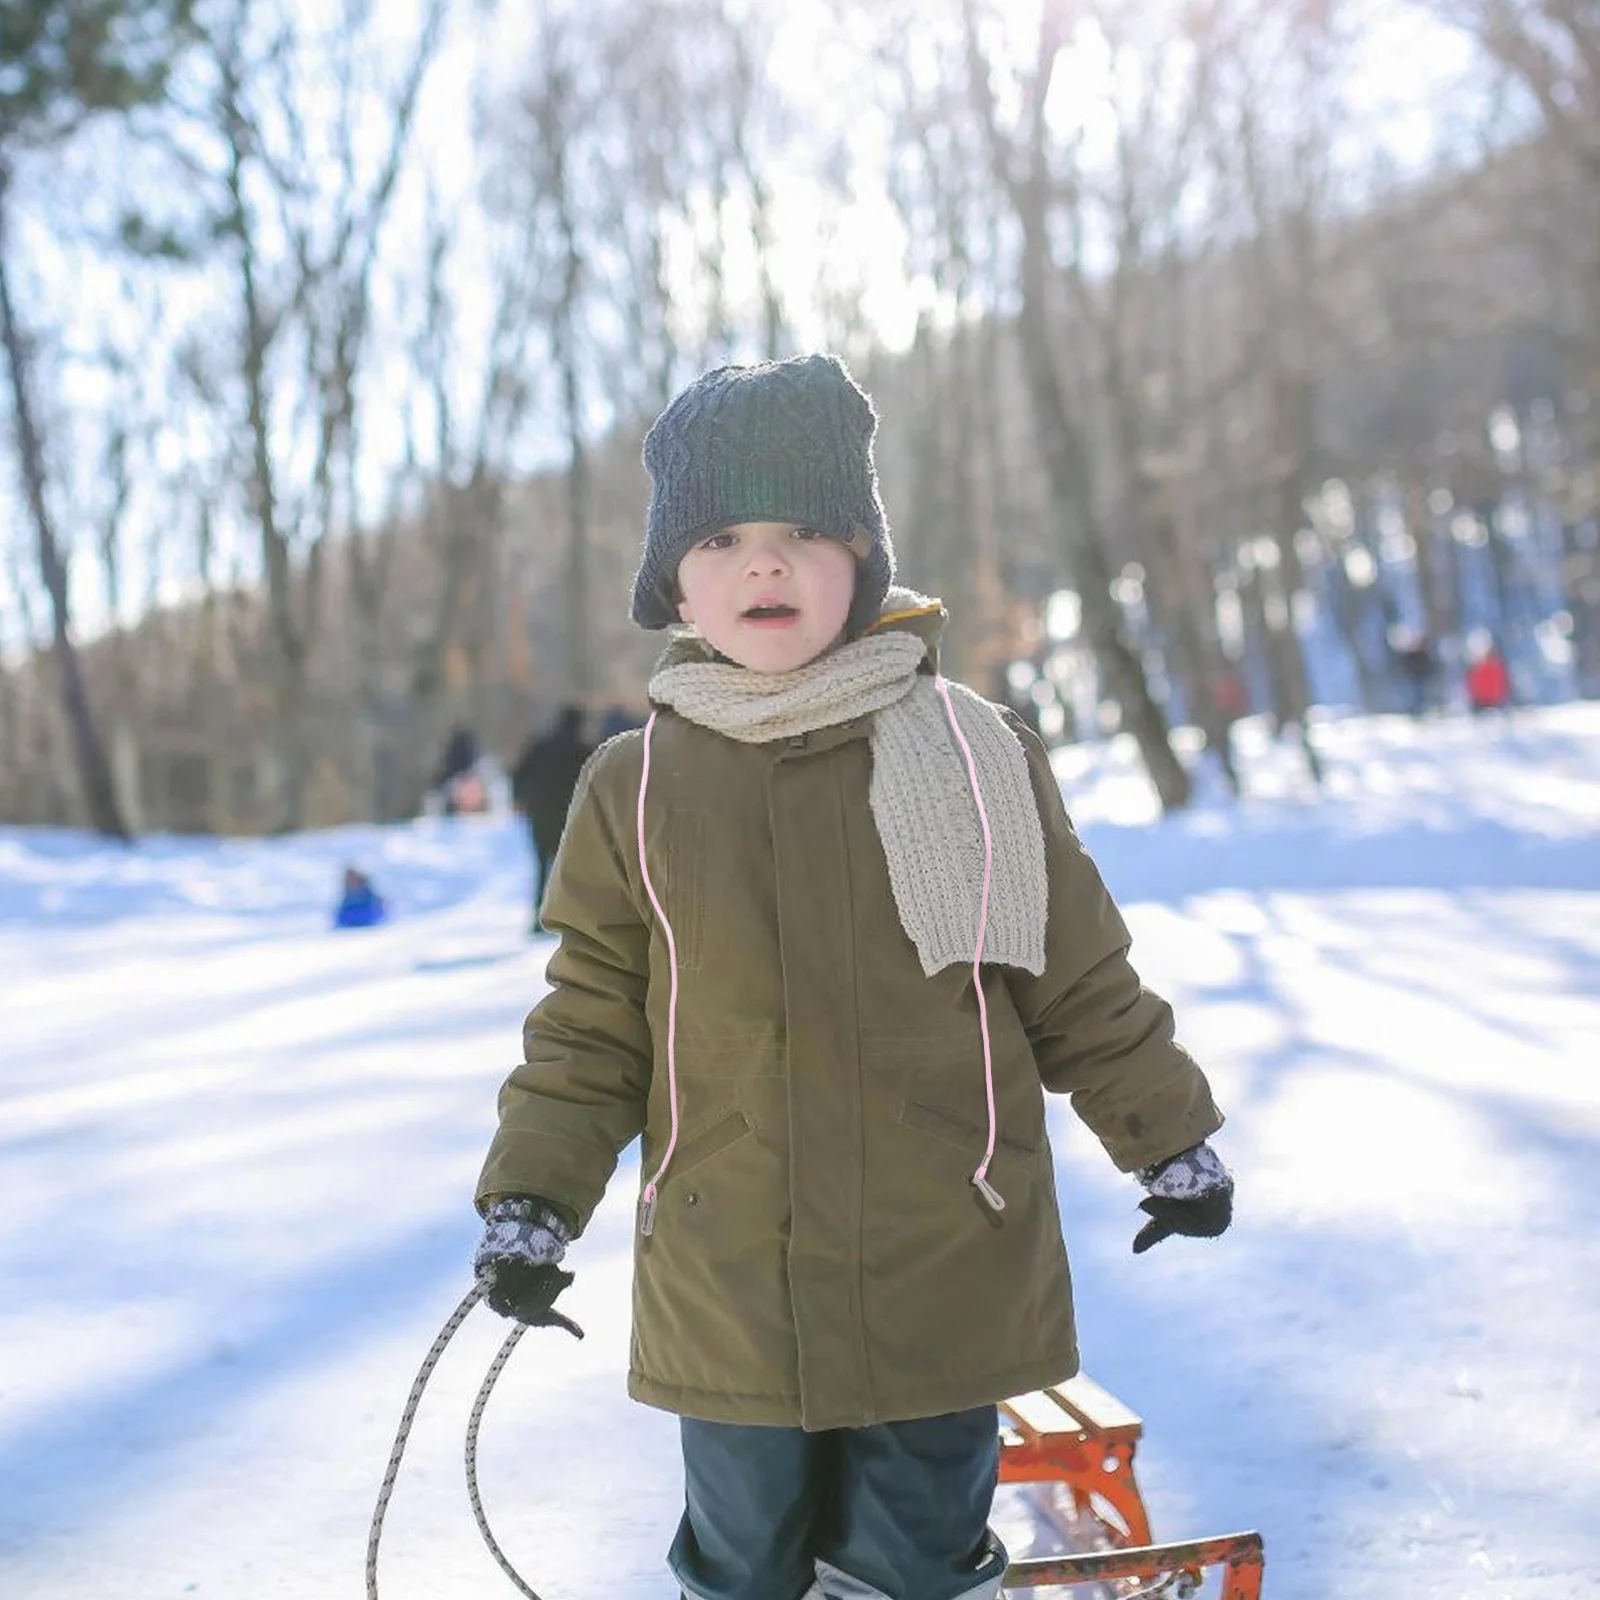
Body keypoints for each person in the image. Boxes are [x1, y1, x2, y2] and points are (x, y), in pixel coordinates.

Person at [471, 354, 1233, 1600]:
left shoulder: (976, 755)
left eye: (804, 532)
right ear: (674, 578)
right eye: (723, 536)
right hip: (727, 1270)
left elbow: (1079, 979)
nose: (764, 564)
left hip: (945, 1248)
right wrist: (532, 1199)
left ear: (862, 561)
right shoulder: (637, 784)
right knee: (744, 1562)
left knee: (911, 1561)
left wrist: (1168, 1139)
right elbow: (590, 1024)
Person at [510, 704, 594, 931]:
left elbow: (519, 774)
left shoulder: (540, 745)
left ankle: (539, 917)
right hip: (567, 815)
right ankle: (566, 918)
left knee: (541, 865)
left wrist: (518, 799)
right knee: (567, 869)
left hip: (538, 813)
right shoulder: (583, 749)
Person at [1464, 634, 1512, 715]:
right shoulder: (1473, 670)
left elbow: (1503, 686)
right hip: (1480, 705)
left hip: (1496, 704)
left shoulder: (1495, 665)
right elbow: (1471, 689)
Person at [332, 865, 387, 929]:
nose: (351, 884)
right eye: (348, 881)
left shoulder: (370, 898)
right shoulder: (346, 900)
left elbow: (377, 916)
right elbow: (339, 919)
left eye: (353, 880)